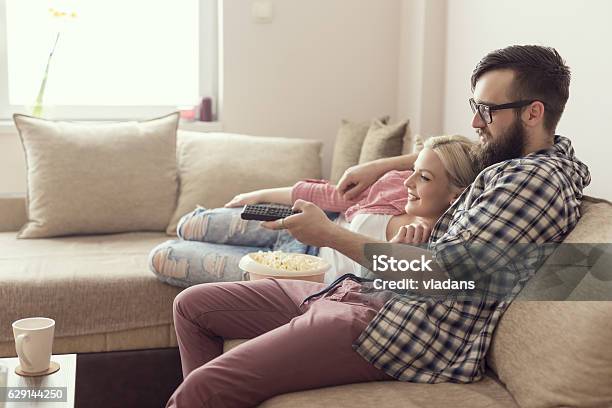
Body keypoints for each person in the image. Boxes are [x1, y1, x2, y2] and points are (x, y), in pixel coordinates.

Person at [165, 45, 590, 407]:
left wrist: (329, 234)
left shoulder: (533, 181)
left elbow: (441, 276)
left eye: (487, 111)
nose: (477, 122)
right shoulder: (514, 160)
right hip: (372, 294)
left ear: (534, 113)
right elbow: (453, 151)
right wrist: (380, 166)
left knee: (202, 389)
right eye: (474, 108)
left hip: (403, 330)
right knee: (194, 306)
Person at [150, 135, 478, 286]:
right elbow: (333, 196)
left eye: (423, 177)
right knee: (192, 223)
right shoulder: (396, 187)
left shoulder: (432, 246)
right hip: (300, 226)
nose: (409, 182)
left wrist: (400, 252)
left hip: (301, 273)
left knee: (164, 256)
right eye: (413, 170)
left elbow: (383, 294)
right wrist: (260, 194)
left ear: (455, 195)